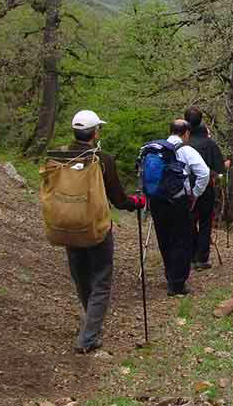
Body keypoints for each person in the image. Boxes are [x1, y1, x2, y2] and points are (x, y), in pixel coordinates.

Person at [49, 109, 145, 354]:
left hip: (67, 224)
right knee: (101, 280)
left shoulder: (58, 155)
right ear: (95, 132)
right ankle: (88, 337)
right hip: (95, 227)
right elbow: (118, 198)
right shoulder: (102, 159)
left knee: (81, 276)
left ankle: (90, 324)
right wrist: (136, 202)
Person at [148, 119, 209, 296]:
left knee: (164, 237)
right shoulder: (186, 150)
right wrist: (195, 193)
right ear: (186, 133)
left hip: (157, 200)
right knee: (182, 240)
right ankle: (177, 283)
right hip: (178, 201)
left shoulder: (156, 148)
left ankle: (170, 275)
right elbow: (204, 173)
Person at [184, 106, 227, 269]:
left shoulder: (182, 144)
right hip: (206, 188)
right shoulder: (209, 144)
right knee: (205, 222)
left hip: (185, 188)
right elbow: (220, 168)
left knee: (188, 220)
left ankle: (190, 254)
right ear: (201, 121)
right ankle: (201, 258)